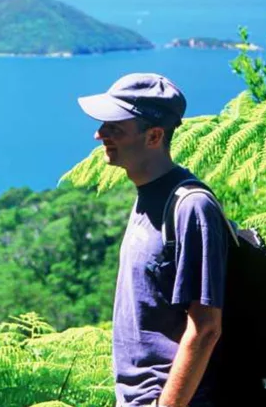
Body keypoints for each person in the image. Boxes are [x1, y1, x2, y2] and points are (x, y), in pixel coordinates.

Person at [77, 74, 227, 407]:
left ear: (154, 136)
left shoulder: (191, 207)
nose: (99, 134)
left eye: (115, 127)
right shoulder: (148, 196)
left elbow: (206, 329)